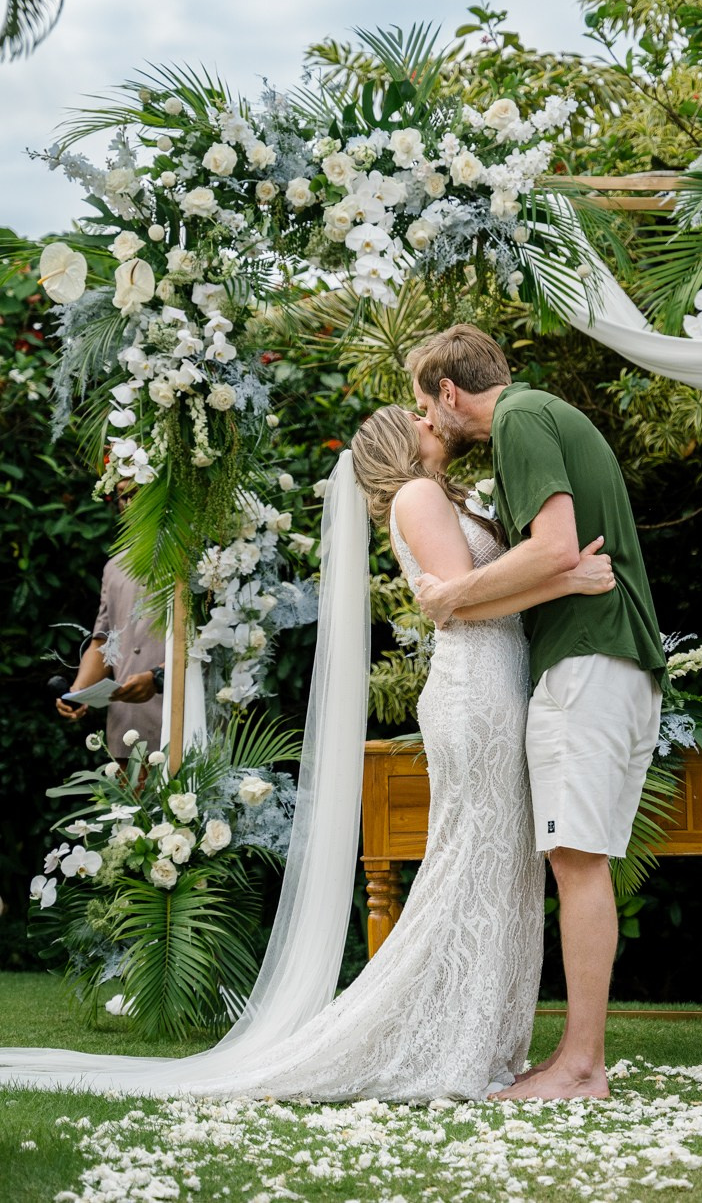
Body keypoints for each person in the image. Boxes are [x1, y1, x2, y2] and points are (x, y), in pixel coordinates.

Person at [0, 407, 613, 1101]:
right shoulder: (417, 496)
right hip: (475, 688)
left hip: (495, 683)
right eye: (411, 414)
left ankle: (480, 1039)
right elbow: (455, 607)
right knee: (473, 860)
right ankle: (450, 1040)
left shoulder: (446, 496)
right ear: (395, 445)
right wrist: (566, 580)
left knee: (497, 864)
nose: (426, 415)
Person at [407, 325, 665, 1101]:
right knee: (580, 859)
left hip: (587, 664)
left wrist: (450, 595)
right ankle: (573, 1058)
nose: (426, 419)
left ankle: (583, 1068)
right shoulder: (545, 413)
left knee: (576, 861)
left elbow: (555, 549)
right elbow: (564, 558)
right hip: (611, 662)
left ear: (450, 393)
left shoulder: (519, 419)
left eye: (425, 403)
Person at [57, 554, 165, 764]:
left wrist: (158, 677)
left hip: (185, 726)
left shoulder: (200, 559)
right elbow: (102, 643)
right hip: (126, 730)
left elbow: (207, 643)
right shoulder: (114, 566)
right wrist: (78, 692)